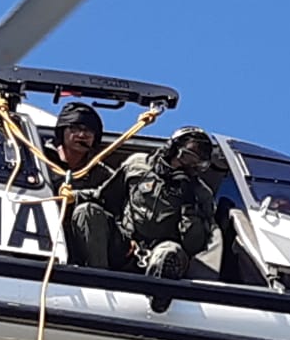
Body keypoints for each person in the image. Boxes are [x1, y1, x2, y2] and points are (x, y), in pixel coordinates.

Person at [71, 126, 217, 311]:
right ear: (173, 148)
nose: (190, 167)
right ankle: (97, 281)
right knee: (87, 211)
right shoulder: (137, 165)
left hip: (160, 251)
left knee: (169, 252)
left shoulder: (200, 194)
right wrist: (73, 196)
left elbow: (193, 245)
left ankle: (158, 294)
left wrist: (189, 205)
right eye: (188, 157)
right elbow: (105, 196)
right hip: (124, 245)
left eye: (198, 165)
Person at [44, 102, 114, 193]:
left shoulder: (102, 175)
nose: (81, 135)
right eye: (75, 128)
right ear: (62, 131)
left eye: (89, 131)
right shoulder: (38, 157)